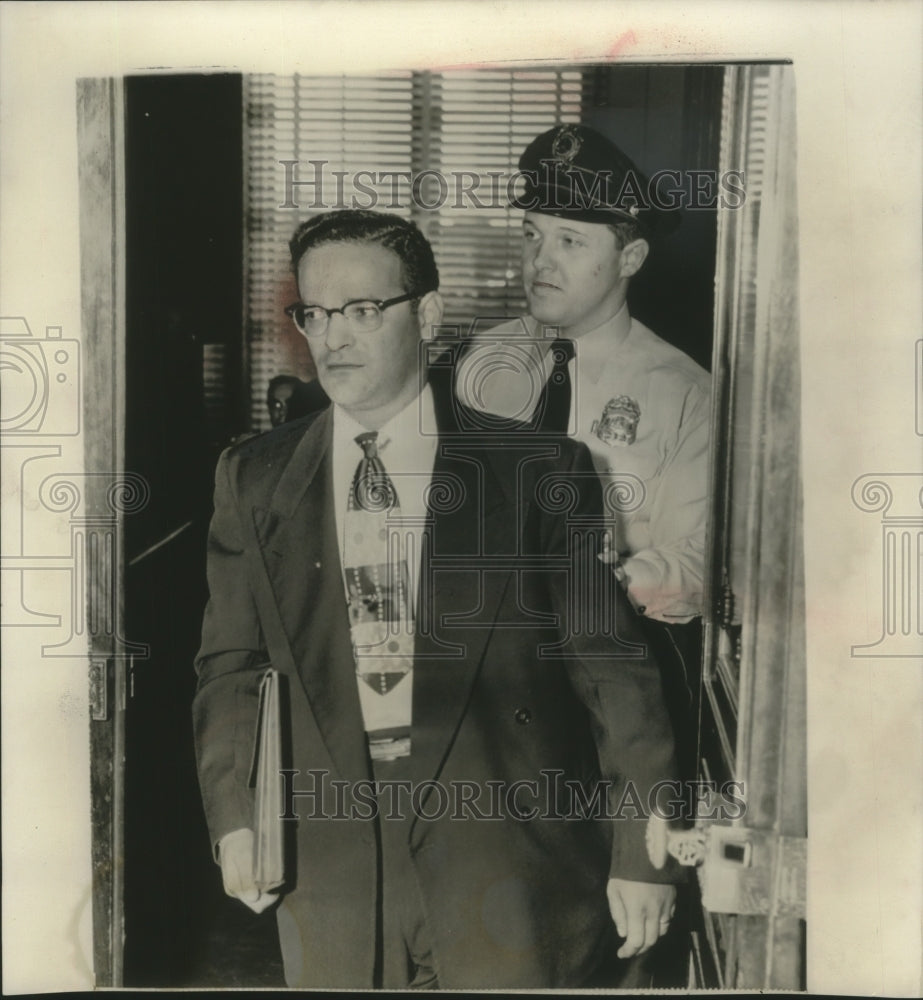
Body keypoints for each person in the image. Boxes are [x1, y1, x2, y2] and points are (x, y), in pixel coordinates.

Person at [193, 208, 682, 989]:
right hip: (334, 859)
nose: (333, 337)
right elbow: (230, 664)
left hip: (505, 851)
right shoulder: (253, 477)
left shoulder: (539, 470)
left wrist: (643, 856)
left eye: (361, 310)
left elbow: (613, 670)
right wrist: (237, 819)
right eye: (314, 313)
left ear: (425, 313)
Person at [456, 123, 711, 628]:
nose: (539, 260)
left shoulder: (686, 394)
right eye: (532, 234)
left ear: (630, 259)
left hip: (605, 641)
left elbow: (699, 559)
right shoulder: (482, 357)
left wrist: (589, 590)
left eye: (570, 241)